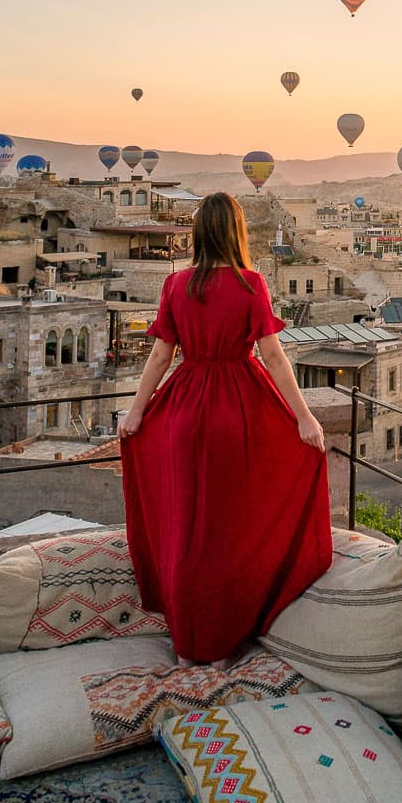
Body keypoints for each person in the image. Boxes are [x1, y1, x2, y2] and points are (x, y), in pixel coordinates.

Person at [118, 192, 332, 667]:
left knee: (185, 527)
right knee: (230, 529)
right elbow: (274, 357)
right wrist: (303, 416)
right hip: (238, 411)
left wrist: (136, 413)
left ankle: (187, 642)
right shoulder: (251, 284)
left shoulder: (175, 285)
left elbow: (159, 356)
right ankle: (222, 642)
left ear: (196, 234)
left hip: (184, 412)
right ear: (236, 233)